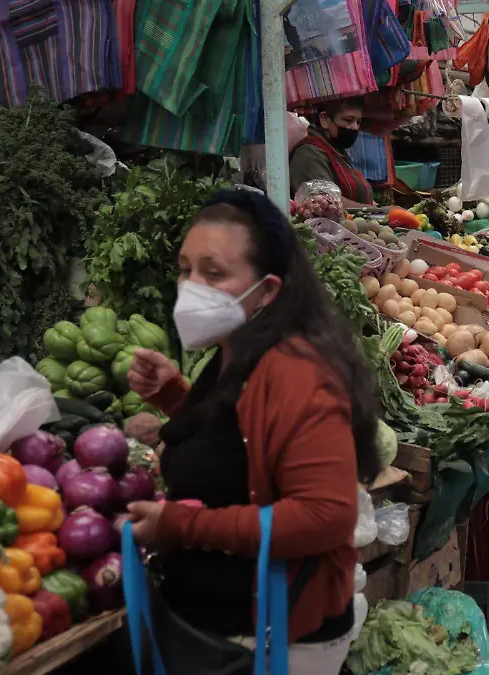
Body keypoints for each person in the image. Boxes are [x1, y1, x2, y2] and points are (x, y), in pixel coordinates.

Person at [123, 189, 382, 673]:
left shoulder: (296, 370)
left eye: (214, 273)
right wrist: (175, 396)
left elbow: (325, 515)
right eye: (186, 268)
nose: (191, 286)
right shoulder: (236, 351)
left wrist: (179, 525)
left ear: (267, 291)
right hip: (224, 629)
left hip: (272, 640)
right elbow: (238, 444)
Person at [289, 97, 375, 207]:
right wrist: (378, 211)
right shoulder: (309, 153)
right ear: (324, 119)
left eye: (358, 122)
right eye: (348, 120)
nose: (354, 127)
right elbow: (324, 201)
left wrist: (378, 209)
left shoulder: (336, 151)